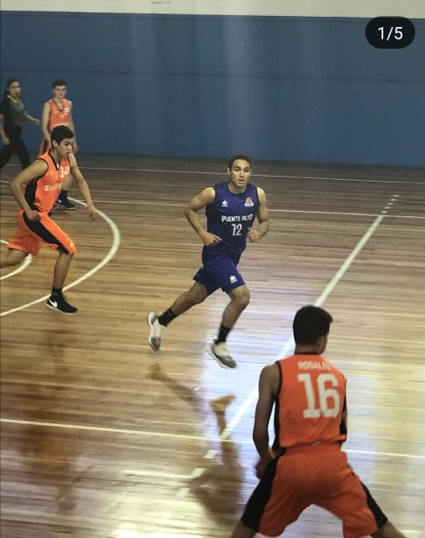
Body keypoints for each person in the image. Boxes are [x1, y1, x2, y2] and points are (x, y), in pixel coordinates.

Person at [230, 306, 408, 538]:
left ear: (295, 333)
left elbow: (259, 433)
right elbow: (342, 429)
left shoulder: (273, 373)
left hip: (290, 467)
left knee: (247, 526)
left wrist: (266, 460)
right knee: (382, 527)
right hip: (332, 465)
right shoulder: (338, 377)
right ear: (322, 340)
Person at [147, 153, 269, 369]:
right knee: (242, 297)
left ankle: (160, 321)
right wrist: (202, 233)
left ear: (250, 173)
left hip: (233, 255)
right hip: (216, 255)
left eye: (246, 170)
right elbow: (189, 209)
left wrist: (260, 232)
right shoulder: (214, 193)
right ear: (229, 172)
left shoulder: (257, 194)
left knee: (195, 296)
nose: (241, 174)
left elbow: (265, 220)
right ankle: (219, 344)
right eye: (237, 169)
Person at [0, 125, 96, 315]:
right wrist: (28, 210)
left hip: (39, 216)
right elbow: (15, 184)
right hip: (34, 216)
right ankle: (55, 297)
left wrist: (90, 204)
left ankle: (56, 297)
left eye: (71, 144)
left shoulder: (69, 160)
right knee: (68, 249)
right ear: (55, 143)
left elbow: (81, 181)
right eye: (66, 144)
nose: (70, 148)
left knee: (14, 258)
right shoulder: (43, 164)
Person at [40, 79, 77, 210]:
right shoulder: (48, 105)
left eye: (63, 90)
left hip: (65, 145)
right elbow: (44, 127)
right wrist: (51, 143)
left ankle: (62, 197)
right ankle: (43, 198)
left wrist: (73, 141)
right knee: (49, 173)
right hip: (54, 144)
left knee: (71, 170)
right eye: (58, 89)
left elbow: (70, 122)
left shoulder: (69, 104)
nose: (60, 92)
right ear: (53, 90)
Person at [0, 78, 40, 170]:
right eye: (13, 87)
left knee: (4, 158)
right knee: (24, 157)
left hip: (17, 132)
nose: (16, 89)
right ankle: (28, 178)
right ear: (9, 89)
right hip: (11, 133)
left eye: (18, 87)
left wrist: (33, 120)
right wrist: (4, 137)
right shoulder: (6, 102)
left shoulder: (19, 100)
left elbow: (24, 114)